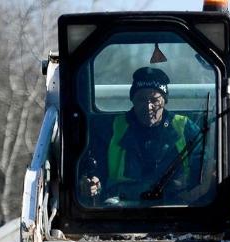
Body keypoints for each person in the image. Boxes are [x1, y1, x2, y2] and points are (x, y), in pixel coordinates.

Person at [81, 66, 204, 204]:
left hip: (174, 206)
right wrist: (93, 183)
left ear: (164, 100)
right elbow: (96, 171)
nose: (148, 106)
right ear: (132, 100)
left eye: (154, 100)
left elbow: (204, 167)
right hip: (120, 209)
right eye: (141, 99)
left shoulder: (186, 128)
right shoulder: (111, 129)